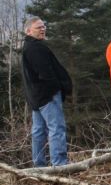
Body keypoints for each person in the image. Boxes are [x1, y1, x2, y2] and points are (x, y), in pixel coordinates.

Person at [21, 17, 72, 167]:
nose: (43, 29)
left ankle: (39, 166)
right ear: (29, 31)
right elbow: (46, 74)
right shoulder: (35, 48)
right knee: (56, 129)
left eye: (44, 26)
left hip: (36, 97)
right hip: (47, 96)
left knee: (38, 132)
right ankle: (59, 165)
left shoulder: (29, 47)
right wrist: (57, 88)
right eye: (38, 27)